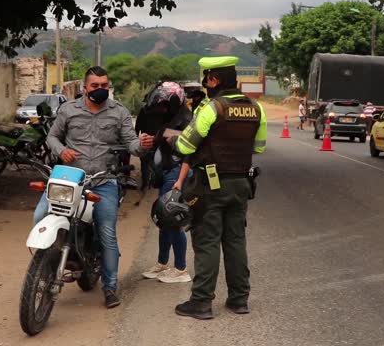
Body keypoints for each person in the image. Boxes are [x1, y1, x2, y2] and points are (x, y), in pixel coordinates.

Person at [33, 66, 154, 308]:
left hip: (103, 180)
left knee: (106, 233)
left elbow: (131, 144)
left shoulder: (118, 112)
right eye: (95, 86)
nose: (100, 89)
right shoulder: (69, 109)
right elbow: (52, 137)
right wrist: (61, 150)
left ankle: (110, 288)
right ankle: (47, 263)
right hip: (68, 177)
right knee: (40, 214)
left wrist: (142, 146)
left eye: (104, 85)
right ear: (85, 88)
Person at [169, 56, 267, 320]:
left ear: (214, 80)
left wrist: (174, 142)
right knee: (235, 240)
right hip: (241, 184)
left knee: (207, 241)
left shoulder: (212, 108)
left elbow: (185, 147)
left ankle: (201, 302)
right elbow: (259, 146)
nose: (205, 84)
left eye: (206, 79)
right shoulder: (256, 108)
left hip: (210, 185)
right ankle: (239, 300)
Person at [140, 82, 193, 284]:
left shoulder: (187, 121)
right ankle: (162, 263)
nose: (160, 109)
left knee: (173, 220)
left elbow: (189, 153)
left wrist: (179, 181)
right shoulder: (172, 119)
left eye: (163, 105)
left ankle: (181, 269)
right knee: (164, 220)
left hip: (177, 174)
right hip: (168, 173)